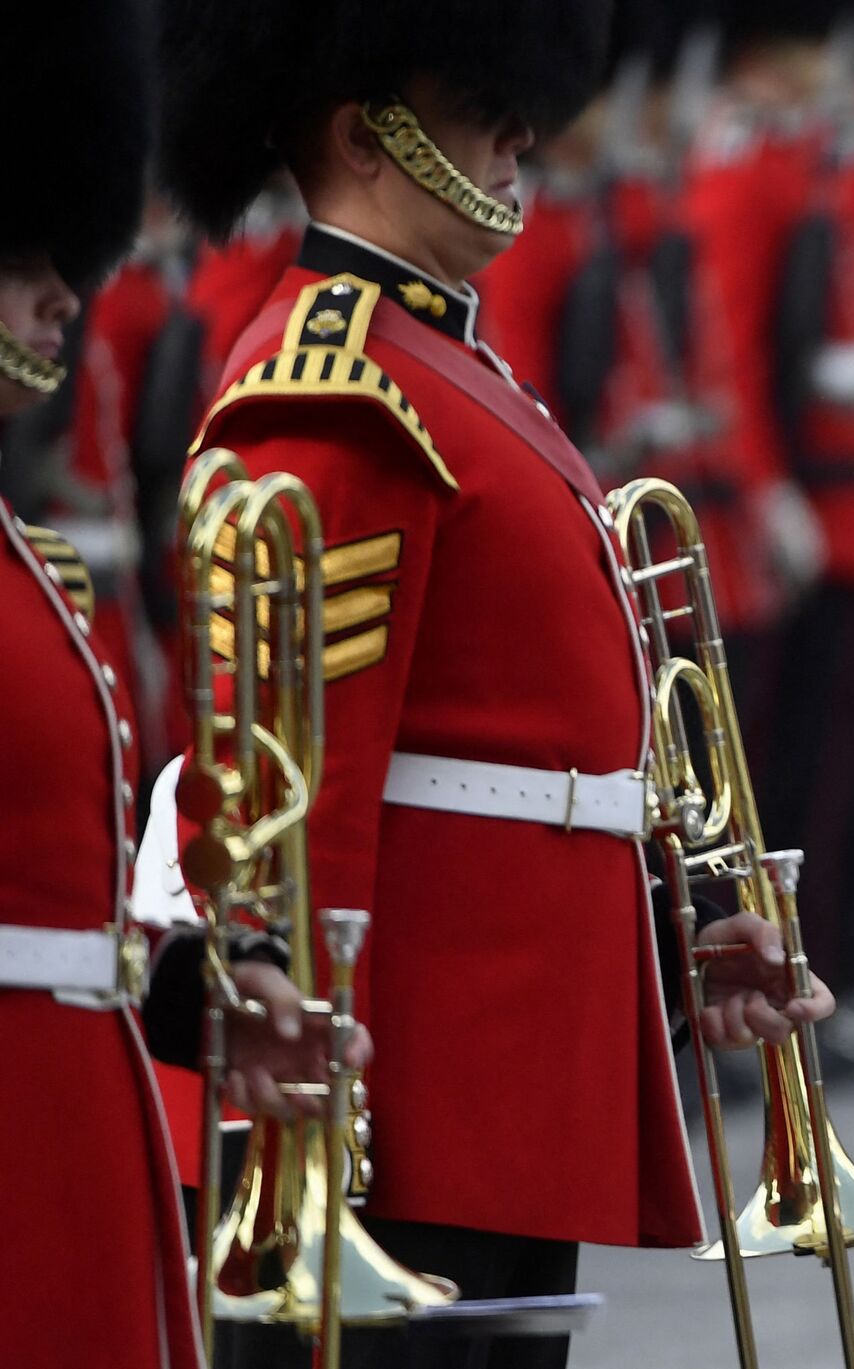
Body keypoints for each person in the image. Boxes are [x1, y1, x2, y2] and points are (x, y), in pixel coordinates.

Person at [147, 2, 831, 1365]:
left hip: (509, 1068)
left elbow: (525, 754)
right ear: (362, 136)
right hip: (403, 1096)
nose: (522, 133)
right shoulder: (338, 388)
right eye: (477, 107)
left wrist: (672, 936)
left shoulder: (448, 366)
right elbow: (300, 776)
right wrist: (286, 1031)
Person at [0, 4, 357, 1363]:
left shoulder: (29, 570)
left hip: (75, 1142)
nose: (62, 292)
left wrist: (193, 994)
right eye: (23, 255)